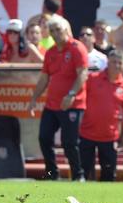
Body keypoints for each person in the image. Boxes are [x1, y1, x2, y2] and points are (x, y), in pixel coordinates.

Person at [28, 15, 89, 181]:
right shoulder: (51, 52)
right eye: (52, 30)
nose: (55, 33)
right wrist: (34, 98)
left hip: (73, 104)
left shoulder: (77, 48)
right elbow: (44, 78)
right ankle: (52, 175)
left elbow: (82, 74)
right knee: (44, 137)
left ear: (65, 30)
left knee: (69, 142)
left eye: (58, 29)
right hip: (52, 104)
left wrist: (70, 95)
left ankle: (78, 175)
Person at [79, 49, 123, 181]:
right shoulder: (92, 78)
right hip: (87, 133)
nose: (117, 65)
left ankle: (106, 202)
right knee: (82, 174)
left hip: (109, 136)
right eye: (114, 62)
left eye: (120, 63)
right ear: (107, 63)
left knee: (109, 175)